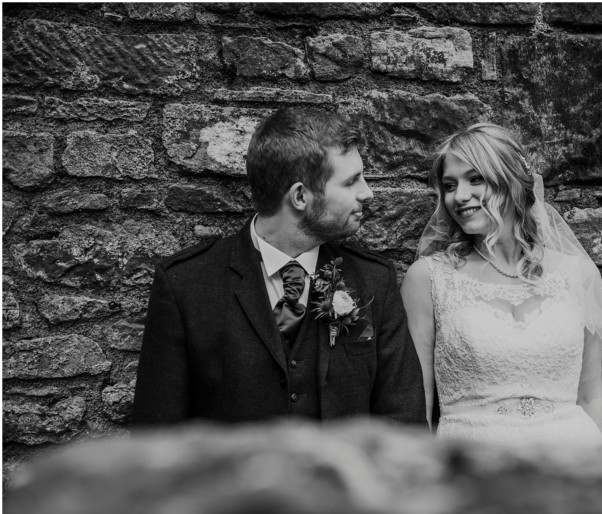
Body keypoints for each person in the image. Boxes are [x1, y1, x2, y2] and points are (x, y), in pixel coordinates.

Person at [133, 107, 426, 426]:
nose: (366, 193)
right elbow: (157, 438)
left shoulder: (373, 280)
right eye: (351, 181)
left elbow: (404, 422)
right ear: (300, 196)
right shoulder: (186, 286)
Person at [401, 123, 602, 451]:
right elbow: (418, 400)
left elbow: (590, 394)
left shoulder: (579, 273)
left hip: (572, 457)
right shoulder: (427, 278)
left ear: (509, 181)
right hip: (474, 459)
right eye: (449, 185)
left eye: (475, 179)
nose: (459, 196)